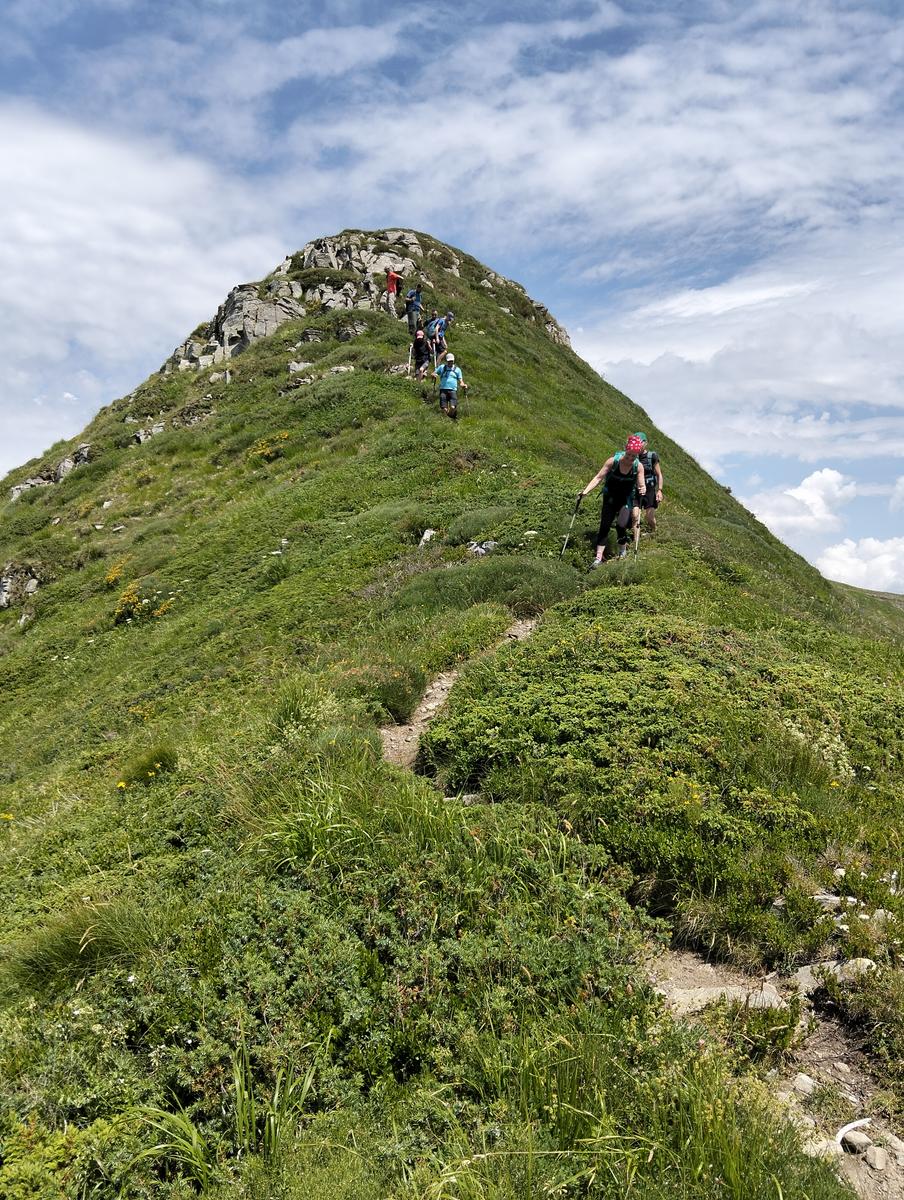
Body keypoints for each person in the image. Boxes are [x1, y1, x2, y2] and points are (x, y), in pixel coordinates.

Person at [578, 436, 646, 565]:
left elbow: (641, 484)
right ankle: (598, 558)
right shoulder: (612, 461)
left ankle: (622, 551)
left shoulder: (639, 467)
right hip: (610, 498)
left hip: (625, 501)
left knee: (621, 525)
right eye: (629, 455)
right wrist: (585, 491)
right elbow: (598, 478)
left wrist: (642, 489)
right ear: (626, 450)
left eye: (634, 456)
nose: (631, 459)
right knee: (605, 526)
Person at [632, 430, 663, 532]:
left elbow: (659, 474)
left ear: (645, 443)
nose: (638, 445)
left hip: (650, 491)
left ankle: (654, 531)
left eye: (640, 442)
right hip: (637, 490)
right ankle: (635, 540)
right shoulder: (632, 456)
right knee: (635, 516)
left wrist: (659, 490)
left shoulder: (652, 456)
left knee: (649, 517)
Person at [433, 353, 467, 419]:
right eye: (449, 361)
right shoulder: (442, 367)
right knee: (444, 408)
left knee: (452, 407)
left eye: (451, 361)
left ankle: (451, 416)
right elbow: (434, 373)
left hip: (453, 390)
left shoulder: (457, 370)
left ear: (453, 361)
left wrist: (463, 385)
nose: (450, 362)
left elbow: (461, 381)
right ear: (446, 361)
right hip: (443, 390)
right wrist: (434, 375)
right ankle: (449, 420)